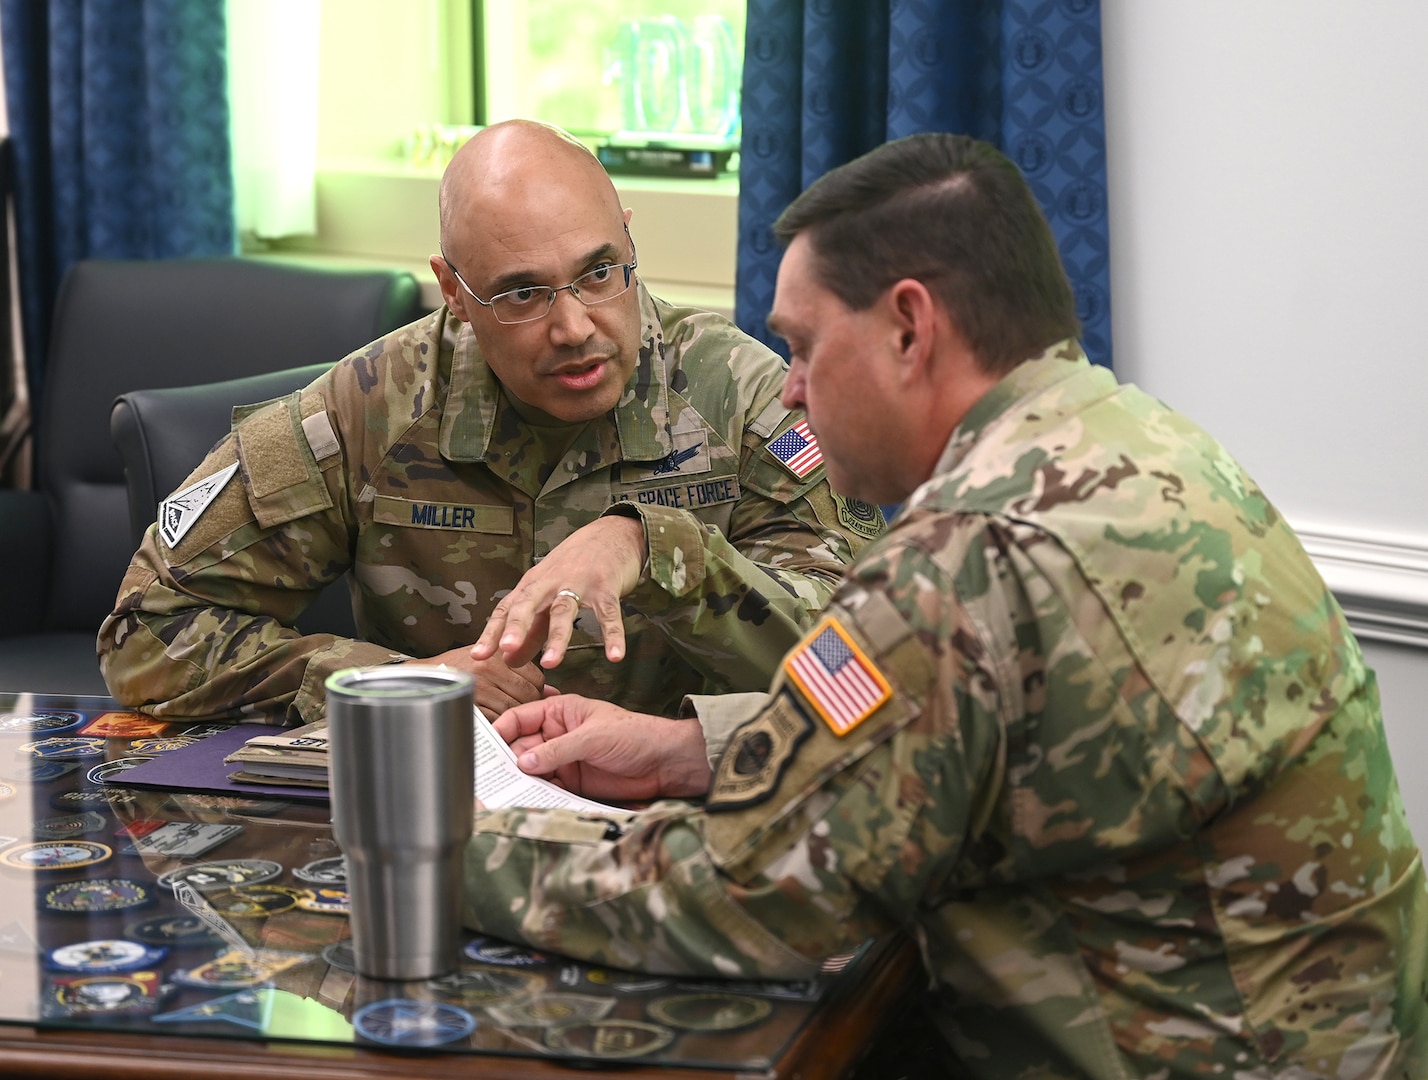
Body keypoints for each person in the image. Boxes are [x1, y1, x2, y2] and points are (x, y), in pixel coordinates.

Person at [460, 133, 1427, 1078]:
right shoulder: (1135, 440)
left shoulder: (960, 566)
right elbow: (1001, 722)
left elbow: (740, 898)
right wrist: (693, 748)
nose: (790, 394)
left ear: (909, 329)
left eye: (802, 346)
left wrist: (437, 848)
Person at [98, 120, 883, 724]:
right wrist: (398, 684)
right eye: (521, 293)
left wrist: (659, 549)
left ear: (629, 235)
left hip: (677, 817)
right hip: (449, 808)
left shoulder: (744, 396)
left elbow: (864, 662)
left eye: (600, 272)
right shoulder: (372, 405)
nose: (575, 325)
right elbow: (145, 634)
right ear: (453, 290)